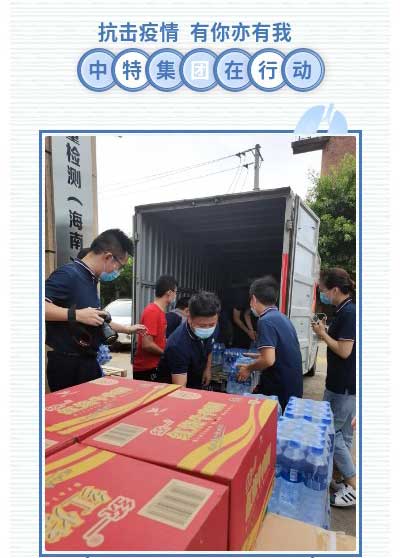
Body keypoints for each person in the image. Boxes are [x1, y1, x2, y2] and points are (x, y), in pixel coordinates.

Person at [45, 229, 147, 391]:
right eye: (120, 266)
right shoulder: (68, 274)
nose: (118, 272)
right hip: (69, 365)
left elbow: (97, 319)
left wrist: (128, 329)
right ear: (108, 257)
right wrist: (76, 315)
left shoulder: (90, 279)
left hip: (88, 362)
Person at [311, 267, 356, 507]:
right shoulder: (344, 311)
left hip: (342, 387)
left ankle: (354, 484)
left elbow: (344, 351)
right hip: (344, 385)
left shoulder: (349, 313)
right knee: (344, 435)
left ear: (335, 290)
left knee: (332, 434)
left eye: (323, 290)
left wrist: (322, 334)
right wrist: (327, 331)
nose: (322, 294)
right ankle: (341, 481)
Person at [237, 275, 303, 410]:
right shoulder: (281, 317)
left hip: (280, 387)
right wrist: (258, 356)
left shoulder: (265, 321)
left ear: (253, 299)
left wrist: (248, 369)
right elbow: (280, 352)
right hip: (292, 384)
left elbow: (268, 360)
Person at [157, 291, 220, 389]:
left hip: (196, 376)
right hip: (174, 385)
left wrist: (207, 369)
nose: (207, 329)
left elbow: (209, 347)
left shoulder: (213, 325)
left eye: (211, 324)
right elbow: (180, 388)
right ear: (189, 318)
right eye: (202, 326)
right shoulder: (177, 345)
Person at [133, 275, 177, 381]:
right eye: (175, 292)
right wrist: (166, 354)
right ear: (169, 292)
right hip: (147, 370)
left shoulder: (160, 312)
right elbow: (147, 344)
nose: (176, 295)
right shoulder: (153, 311)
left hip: (156, 367)